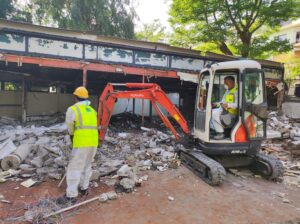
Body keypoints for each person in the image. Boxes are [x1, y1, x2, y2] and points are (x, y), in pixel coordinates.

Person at [57, 86, 98, 205]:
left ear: (75, 97)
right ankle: (84, 188)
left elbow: (70, 125)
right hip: (93, 142)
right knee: (87, 165)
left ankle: (71, 195)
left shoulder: (73, 109)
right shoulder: (92, 110)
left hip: (81, 142)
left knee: (74, 168)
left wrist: (71, 135)